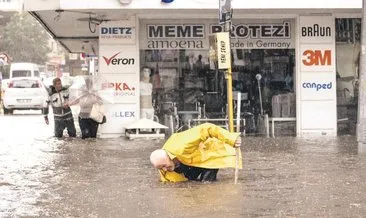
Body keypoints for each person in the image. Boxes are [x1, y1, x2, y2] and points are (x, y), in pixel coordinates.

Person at [150, 123, 242, 182]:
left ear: (169, 157)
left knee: (207, 185)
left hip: (207, 154)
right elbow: (171, 181)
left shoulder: (182, 145)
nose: (164, 169)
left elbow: (207, 128)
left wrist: (231, 139)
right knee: (190, 184)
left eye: (164, 165)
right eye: (160, 168)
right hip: (188, 162)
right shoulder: (162, 165)